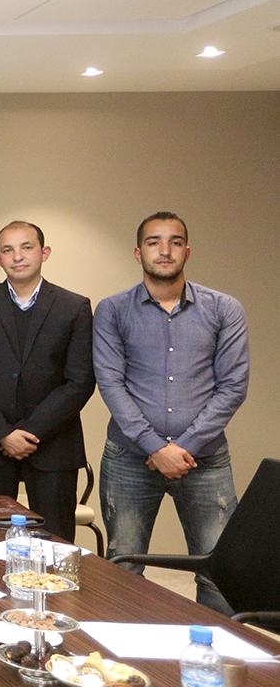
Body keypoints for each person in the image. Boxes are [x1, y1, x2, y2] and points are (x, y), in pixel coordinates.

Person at [94, 212, 249, 613]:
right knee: (124, 567)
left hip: (205, 461)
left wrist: (183, 447)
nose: (164, 250)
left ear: (187, 251)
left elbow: (233, 385)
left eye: (175, 242)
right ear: (138, 252)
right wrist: (154, 447)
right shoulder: (112, 310)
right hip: (129, 460)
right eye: (154, 242)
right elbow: (110, 384)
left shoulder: (225, 309)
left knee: (218, 572)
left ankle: (216, 651)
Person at [0, 221, 95, 543]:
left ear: (44, 253)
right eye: (8, 250)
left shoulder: (74, 307)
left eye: (26, 247)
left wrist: (30, 432)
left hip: (54, 445)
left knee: (55, 545)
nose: (17, 256)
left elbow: (80, 381)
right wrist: (3, 433)